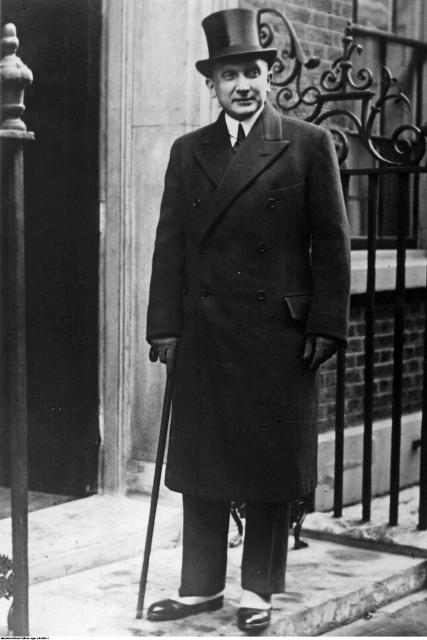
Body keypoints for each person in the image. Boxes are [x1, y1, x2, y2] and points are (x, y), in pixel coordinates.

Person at [146, 8, 350, 633]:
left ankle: (258, 591)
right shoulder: (188, 151)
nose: (243, 85)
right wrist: (164, 327)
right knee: (203, 463)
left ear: (269, 77)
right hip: (207, 333)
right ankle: (200, 588)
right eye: (229, 75)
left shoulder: (307, 144)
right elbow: (171, 244)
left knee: (268, 467)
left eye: (252, 72)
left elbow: (331, 243)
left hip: (277, 337)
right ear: (212, 84)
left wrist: (326, 325)